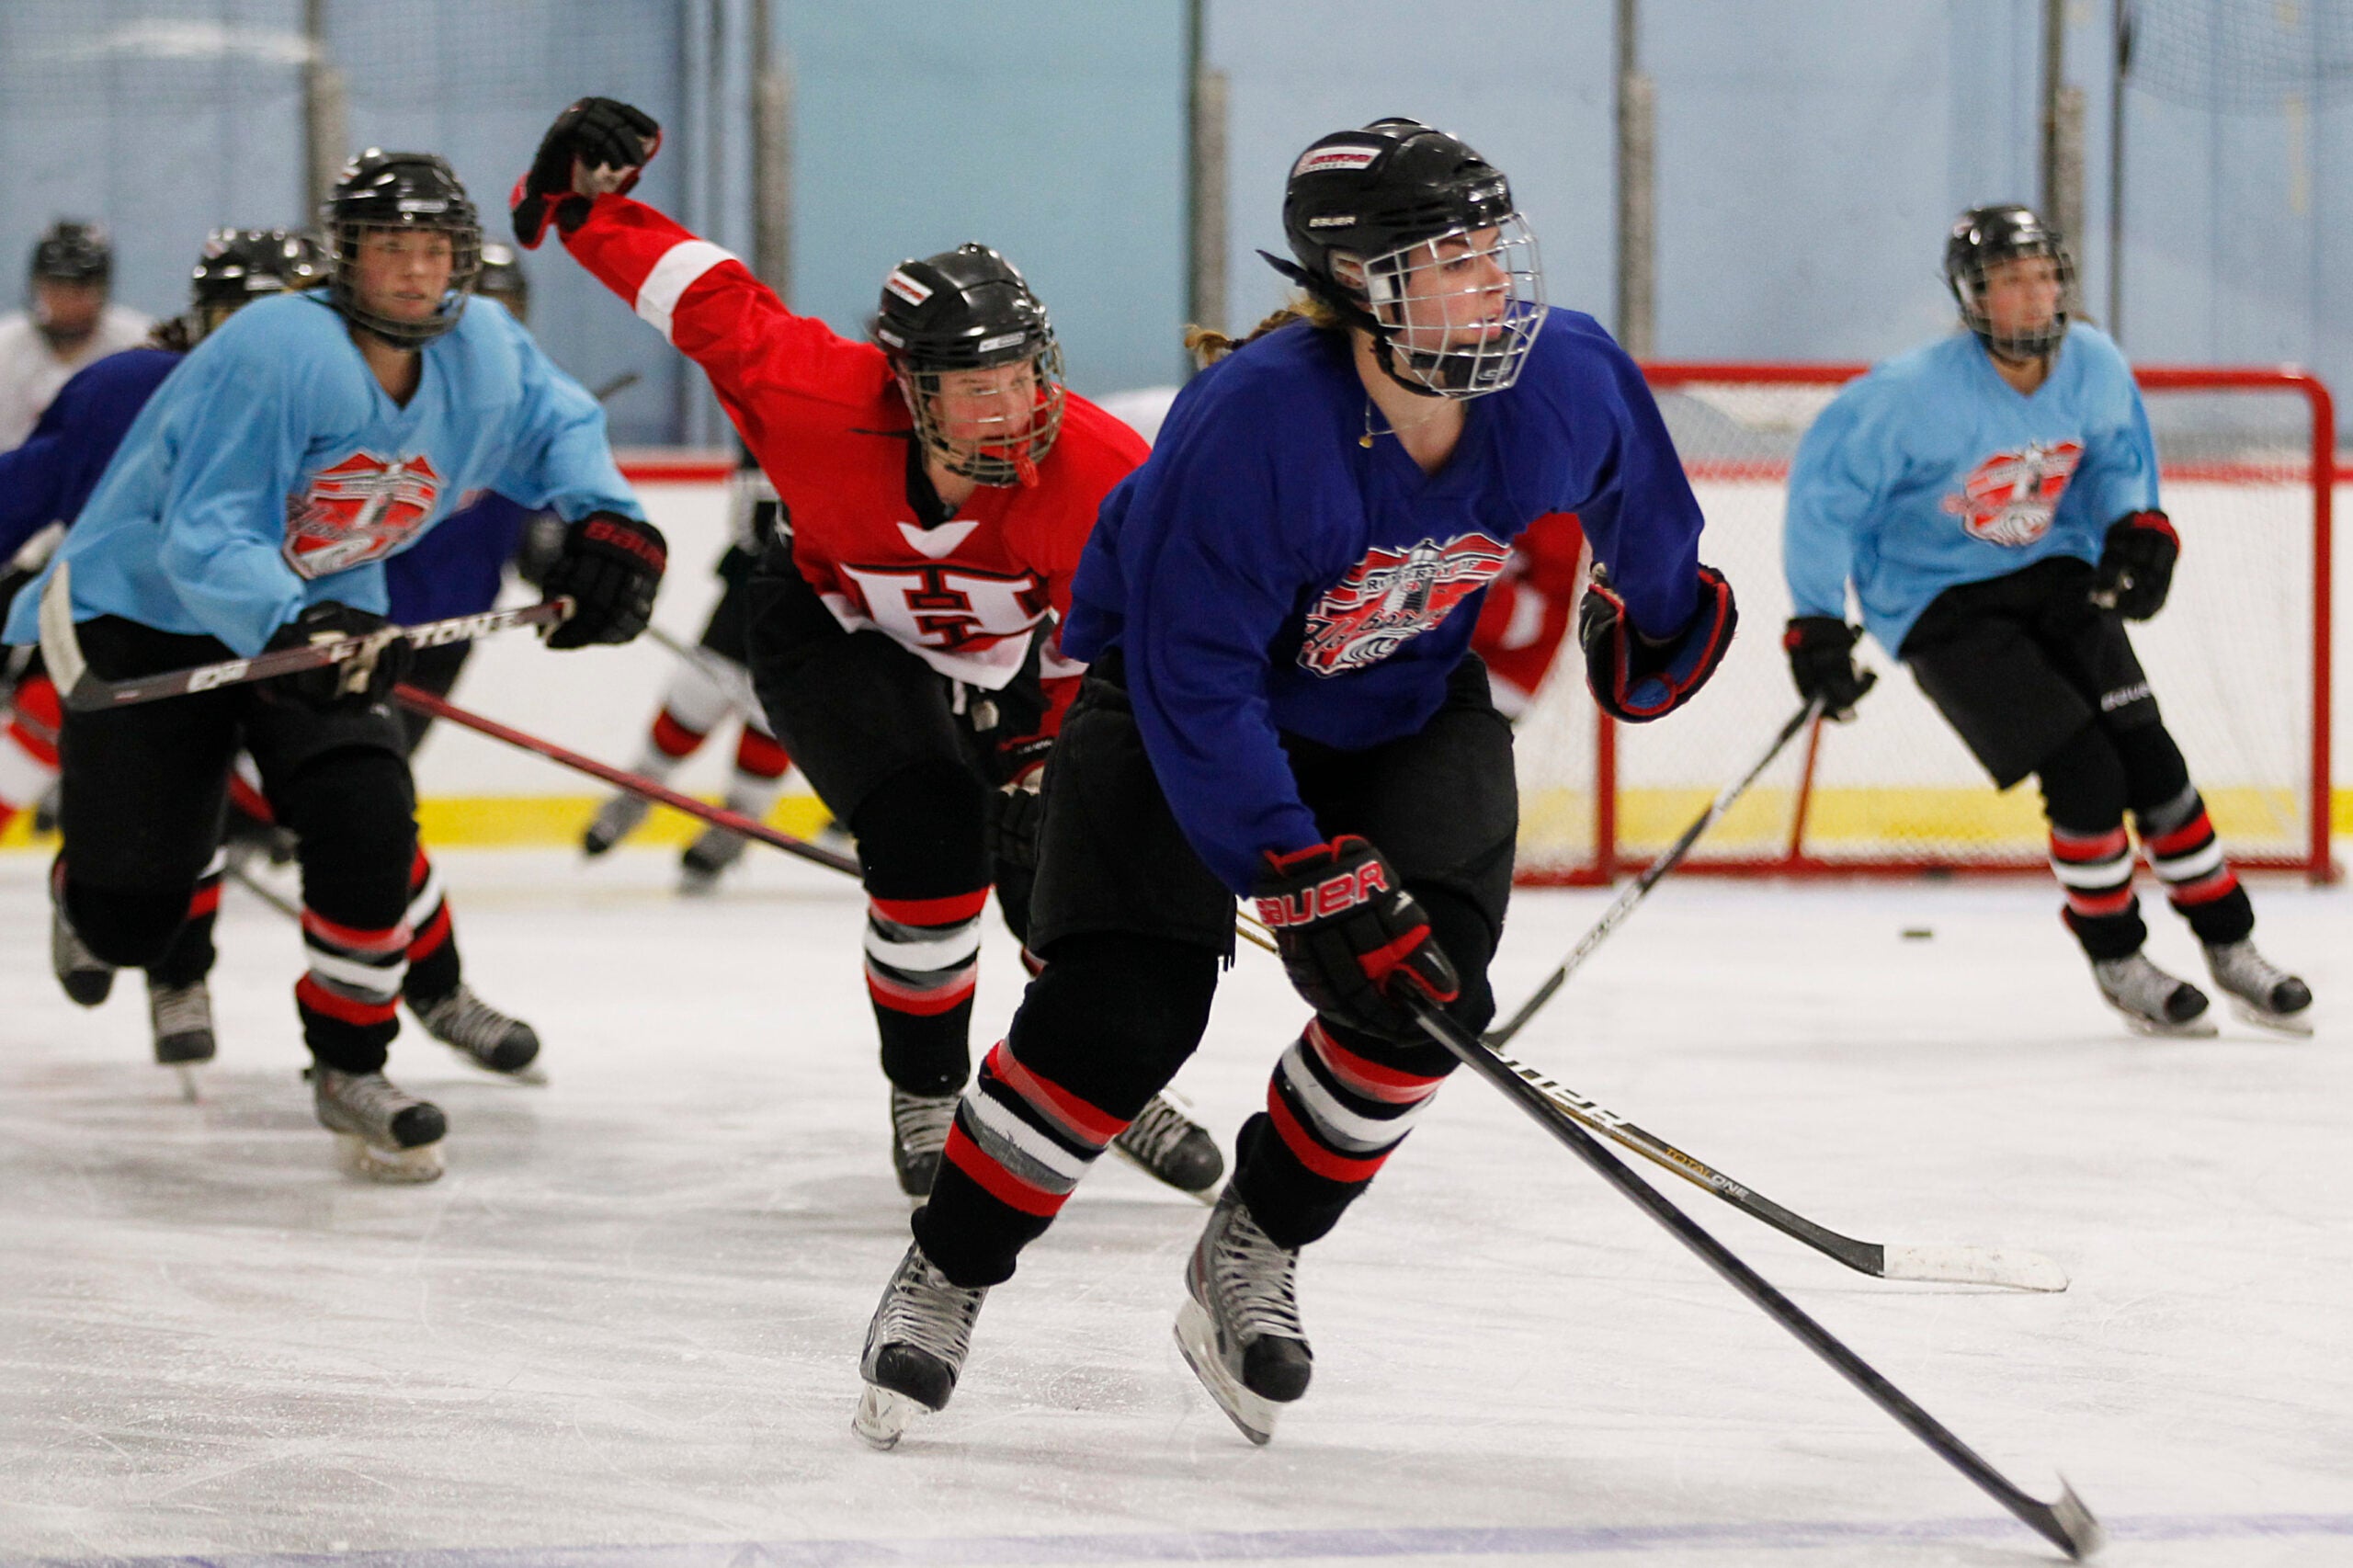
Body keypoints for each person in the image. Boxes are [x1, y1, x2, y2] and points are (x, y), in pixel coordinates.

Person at [850, 117, 1735, 1449]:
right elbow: (1195, 679)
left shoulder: (1565, 373)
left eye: (1493, 249)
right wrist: (1293, 867)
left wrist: (1660, 615)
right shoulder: (1255, 422)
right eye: (1452, 260)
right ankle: (948, 1269)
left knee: (1426, 999)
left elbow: (1644, 504)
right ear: (1363, 283)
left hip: (1403, 703)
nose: (1494, 282)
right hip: (1178, 710)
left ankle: (1253, 1243)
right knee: (1119, 1021)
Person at [513, 97, 1222, 1198]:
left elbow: (1106, 647)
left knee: (1066, 867)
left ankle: (1092, 1076)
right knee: (931, 838)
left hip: (1005, 662)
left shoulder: (1094, 469)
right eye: (976, 387)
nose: (1014, 407)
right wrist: (571, 204)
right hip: (830, 627)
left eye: (1025, 374)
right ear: (908, 388)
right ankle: (929, 1091)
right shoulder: (811, 395)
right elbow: (704, 297)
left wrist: (1046, 756)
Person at [4, 152, 666, 1181]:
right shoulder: (276, 346)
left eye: (435, 248)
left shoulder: (485, 345)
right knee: (132, 917)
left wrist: (611, 522)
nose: (415, 271)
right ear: (345, 257)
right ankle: (88, 888)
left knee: (368, 814)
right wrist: (289, 621)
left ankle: (352, 1064)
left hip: (321, 604)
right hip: (151, 611)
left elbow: (559, 425)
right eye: (390, 247)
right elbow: (206, 533)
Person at [0, 227, 547, 1087]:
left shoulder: (366, 395)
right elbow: (31, 490)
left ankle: (434, 989)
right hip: (163, 639)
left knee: (364, 816)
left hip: (308, 641)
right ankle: (169, 967)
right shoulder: (128, 389)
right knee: (183, 815)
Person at [1782, 204, 2311, 1038]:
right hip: (1938, 603)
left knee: (2152, 759)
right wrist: (1815, 623)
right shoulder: (1906, 397)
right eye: (2009, 281)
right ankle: (2119, 959)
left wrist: (2136, 525)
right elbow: (1824, 501)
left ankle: (2231, 945)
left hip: (2055, 574)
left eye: (2043, 278)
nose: (2032, 296)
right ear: (1973, 297)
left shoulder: (2093, 363)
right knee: (2086, 773)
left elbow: (2116, 460)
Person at [580, 451, 809, 893]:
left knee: (771, 721)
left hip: (815, 613)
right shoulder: (768, 429)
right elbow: (749, 523)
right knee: (694, 700)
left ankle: (737, 825)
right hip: (748, 597)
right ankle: (637, 792)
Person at [0, 221, 153, 452]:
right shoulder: (5, 348)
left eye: (80, 291)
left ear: (103, 290)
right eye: (57, 289)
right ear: (36, 286)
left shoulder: (140, 346)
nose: (68, 304)